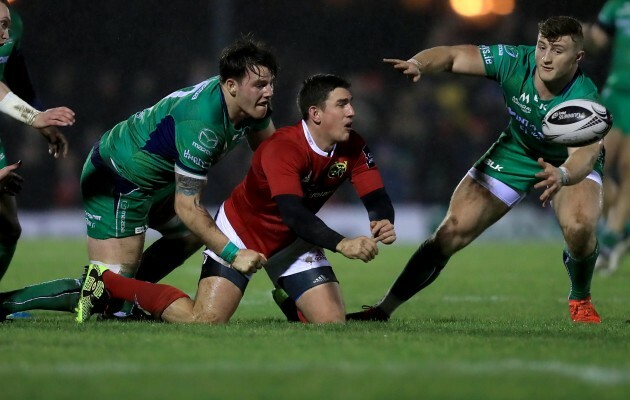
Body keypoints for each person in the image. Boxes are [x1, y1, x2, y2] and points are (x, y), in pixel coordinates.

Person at [75, 73, 396, 324]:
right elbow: (292, 213)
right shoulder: (283, 148)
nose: (352, 111)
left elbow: (376, 193)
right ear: (316, 113)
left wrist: (382, 218)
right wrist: (342, 244)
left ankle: (290, 295)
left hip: (294, 238)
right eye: (342, 104)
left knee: (332, 323)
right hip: (243, 233)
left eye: (350, 102)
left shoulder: (352, 146)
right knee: (205, 320)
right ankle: (109, 284)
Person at [347, 16, 605, 324]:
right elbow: (454, 55)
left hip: (565, 163)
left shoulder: (584, 99)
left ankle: (580, 297)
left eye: (558, 50)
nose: (546, 58)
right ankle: (383, 310)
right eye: (542, 47)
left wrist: (561, 175)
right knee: (451, 231)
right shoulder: (514, 61)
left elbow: (584, 157)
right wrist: (419, 63)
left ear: (578, 57)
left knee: (578, 229)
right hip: (516, 151)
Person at [0, 36, 275, 321]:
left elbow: (273, 157)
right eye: (259, 85)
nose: (268, 92)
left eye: (270, 84)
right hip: (117, 179)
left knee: (191, 235)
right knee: (102, 288)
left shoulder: (250, 104)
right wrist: (233, 254)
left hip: (156, 182)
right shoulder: (201, 124)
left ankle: (124, 299)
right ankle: (6, 304)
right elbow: (187, 207)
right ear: (230, 86)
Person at [0, 1, 73, 283]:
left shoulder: (13, 23)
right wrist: (34, 117)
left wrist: (40, 116)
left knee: (8, 228)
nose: (5, 34)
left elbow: (14, 78)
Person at [583, 0, 630, 275]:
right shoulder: (617, 5)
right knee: (594, 164)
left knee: (627, 170)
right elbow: (598, 42)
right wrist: (584, 36)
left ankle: (611, 239)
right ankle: (621, 225)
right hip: (616, 92)